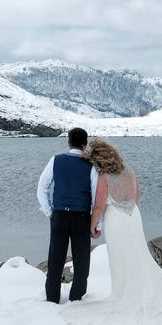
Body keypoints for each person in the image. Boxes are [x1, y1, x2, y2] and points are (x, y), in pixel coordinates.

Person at [59, 138, 162, 325]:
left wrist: (92, 226)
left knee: (122, 259)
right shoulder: (129, 170)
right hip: (134, 216)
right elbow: (137, 196)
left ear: (97, 160)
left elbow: (99, 206)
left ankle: (125, 295)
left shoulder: (105, 177)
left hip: (116, 219)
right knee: (138, 255)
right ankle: (143, 291)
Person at [36, 127, 99, 304]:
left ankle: (52, 298)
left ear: (68, 142)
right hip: (82, 217)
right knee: (81, 260)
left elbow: (42, 188)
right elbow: (96, 198)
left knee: (55, 258)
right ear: (85, 144)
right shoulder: (91, 166)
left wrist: (49, 211)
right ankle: (76, 297)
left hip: (59, 216)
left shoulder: (55, 161)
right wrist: (97, 224)